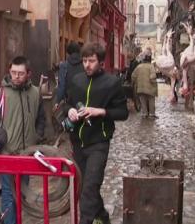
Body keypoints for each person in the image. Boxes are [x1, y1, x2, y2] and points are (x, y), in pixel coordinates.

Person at [63, 42, 128, 224]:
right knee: (86, 187)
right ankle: (103, 218)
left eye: (91, 61)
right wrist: (69, 111)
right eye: (84, 61)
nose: (87, 65)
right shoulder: (77, 80)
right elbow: (67, 103)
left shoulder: (112, 83)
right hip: (77, 142)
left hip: (99, 143)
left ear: (101, 62)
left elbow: (123, 113)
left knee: (90, 188)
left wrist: (102, 111)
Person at [0, 56, 46, 224]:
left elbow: (42, 119)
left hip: (27, 154)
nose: (16, 76)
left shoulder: (36, 93)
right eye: (13, 72)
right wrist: (3, 136)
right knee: (9, 195)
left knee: (22, 194)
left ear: (28, 74)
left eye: (20, 73)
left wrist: (36, 137)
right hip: (7, 154)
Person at [56, 42, 84, 109]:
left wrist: (57, 102)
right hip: (83, 101)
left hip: (69, 103)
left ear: (68, 53)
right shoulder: (84, 65)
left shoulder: (64, 65)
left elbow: (61, 86)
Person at [131, 54, 158, 118]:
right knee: (151, 101)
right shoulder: (151, 66)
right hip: (150, 88)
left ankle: (144, 113)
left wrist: (135, 82)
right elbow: (152, 77)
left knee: (143, 101)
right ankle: (151, 114)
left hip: (140, 88)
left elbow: (133, 76)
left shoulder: (139, 66)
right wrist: (154, 84)